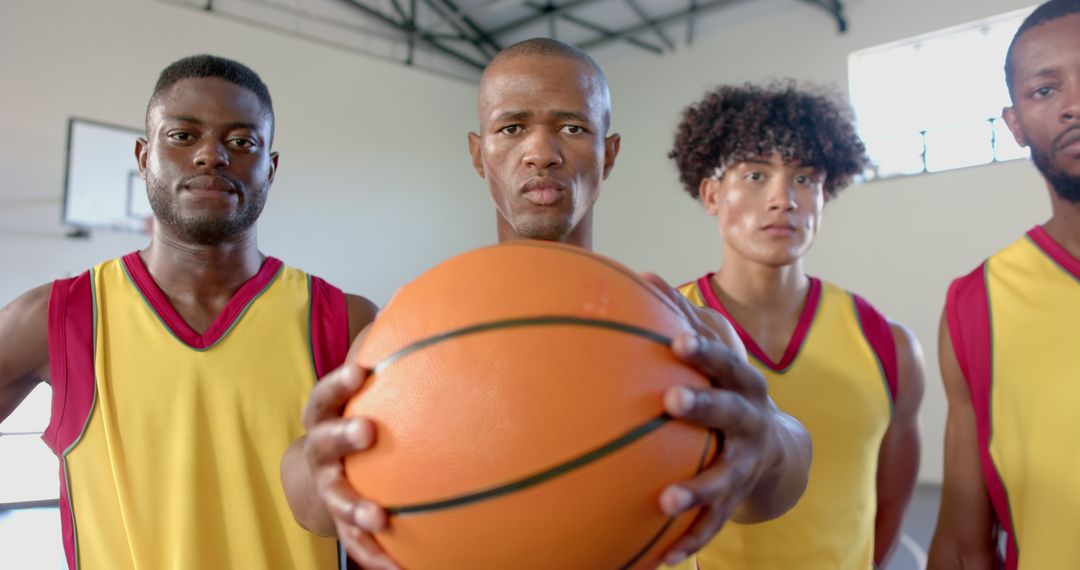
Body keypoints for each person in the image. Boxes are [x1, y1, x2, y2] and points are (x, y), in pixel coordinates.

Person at [282, 38, 813, 569]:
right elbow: (314, 506)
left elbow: (773, 489)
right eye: (511, 127)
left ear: (609, 153)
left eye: (572, 127)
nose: (541, 152)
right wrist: (317, 461)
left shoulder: (686, 332)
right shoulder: (403, 340)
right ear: (477, 152)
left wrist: (765, 439)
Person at [0, 55, 376, 569]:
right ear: (142, 156)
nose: (211, 156)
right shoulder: (55, 317)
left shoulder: (345, 321)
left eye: (242, 142)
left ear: (271, 166)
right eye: (182, 135)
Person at [668, 82, 925, 569]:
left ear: (824, 195)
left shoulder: (888, 345)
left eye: (805, 179)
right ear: (711, 194)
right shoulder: (666, 327)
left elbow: (889, 504)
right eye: (756, 174)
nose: (783, 198)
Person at [928, 2, 1080, 568]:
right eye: (1045, 91)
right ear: (1015, 125)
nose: (1074, 106)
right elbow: (965, 548)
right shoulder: (977, 305)